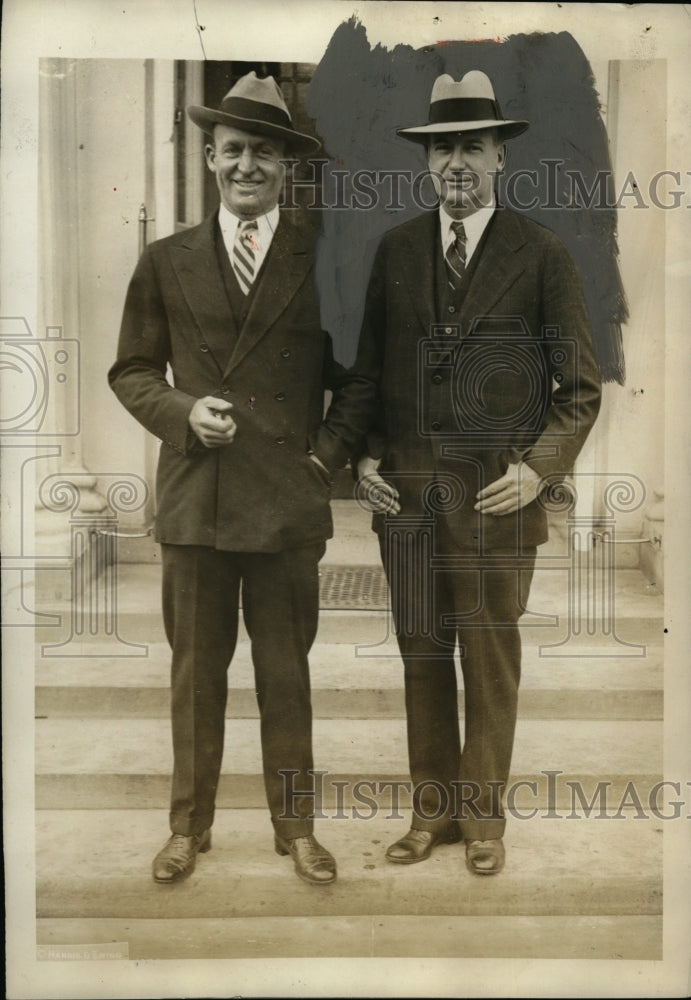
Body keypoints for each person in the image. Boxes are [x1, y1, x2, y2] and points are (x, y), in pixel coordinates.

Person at [109, 72, 372, 886]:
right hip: (196, 500)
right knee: (196, 679)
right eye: (233, 150)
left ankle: (295, 828)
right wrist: (185, 411)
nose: (246, 165)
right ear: (211, 158)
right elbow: (131, 370)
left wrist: (324, 459)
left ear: (287, 164)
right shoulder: (165, 260)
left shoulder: (324, 259)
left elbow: (360, 379)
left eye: (263, 151)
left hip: (286, 503)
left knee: (286, 676)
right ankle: (189, 828)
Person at [354, 71, 602, 875]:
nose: (455, 162)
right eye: (441, 149)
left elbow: (578, 390)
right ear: (426, 164)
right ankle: (432, 815)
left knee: (489, 656)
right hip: (411, 501)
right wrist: (362, 457)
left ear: (499, 157)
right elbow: (367, 376)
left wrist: (537, 472)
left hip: (499, 500)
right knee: (422, 651)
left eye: (471, 146)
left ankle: (483, 820)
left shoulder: (541, 254)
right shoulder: (394, 250)